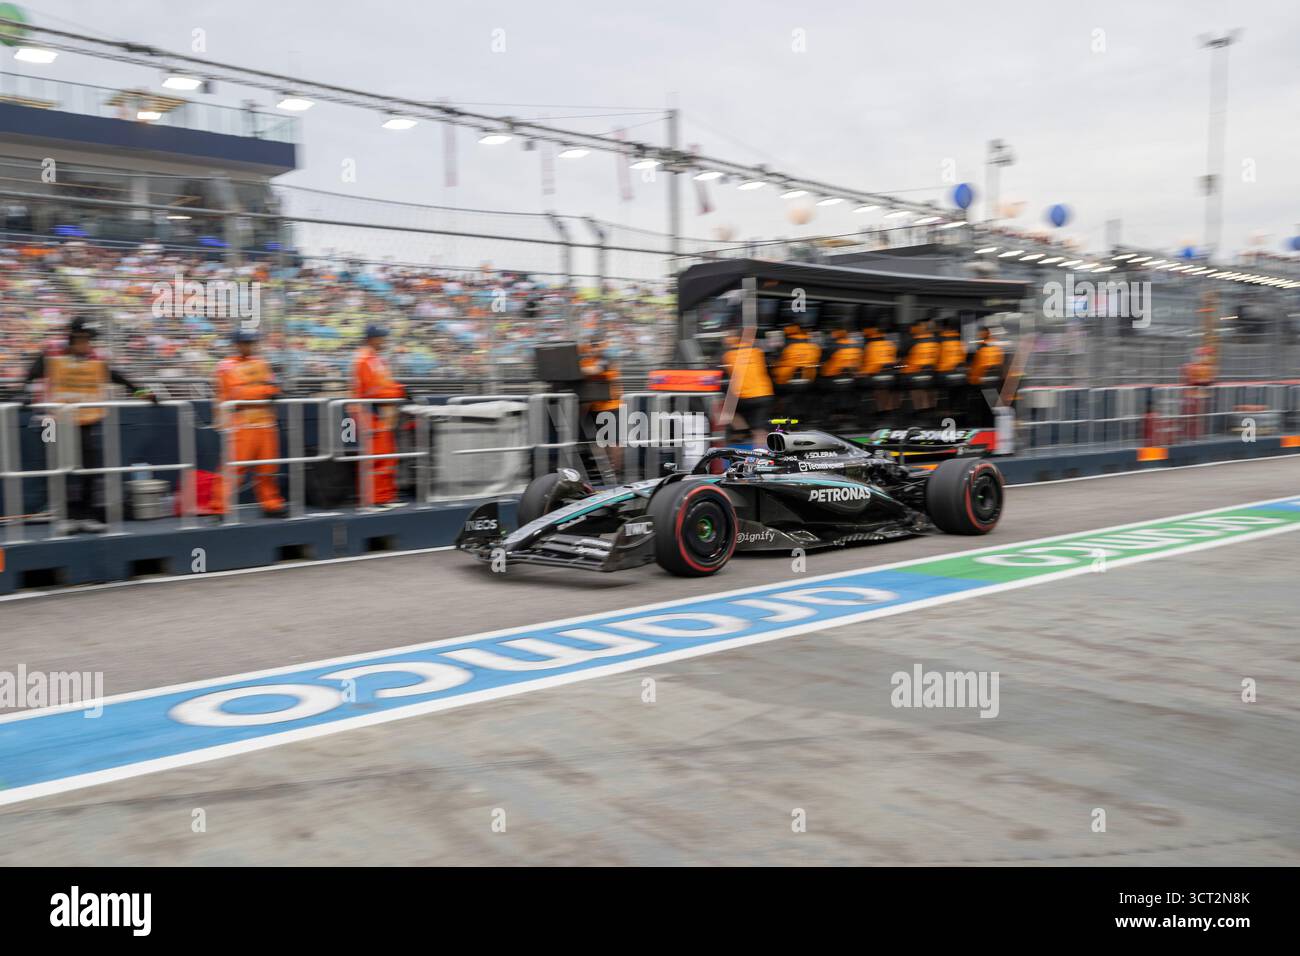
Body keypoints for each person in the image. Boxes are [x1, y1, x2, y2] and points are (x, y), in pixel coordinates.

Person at [23, 317, 155, 534]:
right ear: (72, 338)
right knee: (59, 466)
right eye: (83, 339)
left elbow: (117, 377)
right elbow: (31, 375)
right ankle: (66, 516)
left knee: (89, 466)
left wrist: (143, 393)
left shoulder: (95, 358)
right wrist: (24, 394)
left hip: (84, 419)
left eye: (89, 340)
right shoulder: (52, 353)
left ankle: (87, 515)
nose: (87, 344)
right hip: (53, 420)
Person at [214, 329, 287, 517]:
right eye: (245, 343)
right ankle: (219, 508)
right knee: (234, 468)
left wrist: (263, 390)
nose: (249, 346)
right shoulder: (226, 366)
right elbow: (237, 394)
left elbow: (275, 387)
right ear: (236, 344)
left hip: (266, 424)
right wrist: (264, 392)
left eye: (251, 342)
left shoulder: (262, 363)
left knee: (268, 468)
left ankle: (271, 504)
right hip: (242, 425)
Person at [351, 323, 408, 509]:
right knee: (377, 458)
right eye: (381, 337)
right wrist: (397, 393)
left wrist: (401, 389)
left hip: (381, 415)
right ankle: (375, 499)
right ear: (371, 339)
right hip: (370, 413)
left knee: (387, 458)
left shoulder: (376, 360)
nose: (384, 340)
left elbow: (386, 384)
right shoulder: (364, 359)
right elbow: (371, 391)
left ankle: (385, 497)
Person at [720, 331, 774, 447]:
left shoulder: (728, 355)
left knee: (725, 411)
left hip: (745, 397)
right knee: (759, 428)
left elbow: (724, 374)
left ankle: (741, 433)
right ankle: (761, 450)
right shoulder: (757, 352)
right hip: (765, 394)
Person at [860, 323, 899, 417]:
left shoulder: (870, 346)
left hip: (876, 375)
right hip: (890, 374)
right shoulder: (891, 345)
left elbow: (870, 364)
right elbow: (894, 360)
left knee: (878, 391)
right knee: (888, 390)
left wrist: (863, 373)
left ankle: (881, 410)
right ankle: (889, 410)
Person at [903, 319, 939, 413]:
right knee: (930, 393)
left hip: (915, 372)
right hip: (932, 371)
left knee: (919, 392)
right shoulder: (936, 340)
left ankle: (921, 413)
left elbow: (904, 355)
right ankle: (930, 412)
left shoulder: (913, 341)